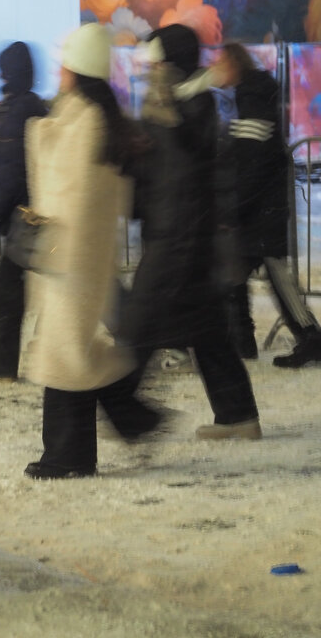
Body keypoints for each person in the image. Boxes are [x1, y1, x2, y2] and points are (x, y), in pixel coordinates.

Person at [21, 23, 164, 480]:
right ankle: (117, 421)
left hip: (70, 255)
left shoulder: (84, 121)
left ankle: (70, 455)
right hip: (77, 254)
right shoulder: (93, 117)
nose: (59, 71)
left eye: (65, 63)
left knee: (66, 355)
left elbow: (63, 191)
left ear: (77, 69)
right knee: (69, 352)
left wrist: (39, 129)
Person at [119, 25, 261, 441]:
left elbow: (180, 173)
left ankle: (125, 414)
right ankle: (238, 417)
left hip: (178, 237)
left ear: (171, 62)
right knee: (208, 330)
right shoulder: (172, 101)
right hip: (181, 233)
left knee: (137, 324)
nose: (150, 68)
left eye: (157, 59)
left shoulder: (188, 103)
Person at [211, 42, 321, 367]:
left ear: (233, 64)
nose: (217, 69)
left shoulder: (253, 97)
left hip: (262, 209)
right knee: (239, 275)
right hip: (260, 207)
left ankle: (308, 336)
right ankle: (245, 340)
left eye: (221, 63)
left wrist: (234, 207)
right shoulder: (251, 96)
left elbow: (254, 163)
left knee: (272, 275)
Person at [0, 41, 48, 383]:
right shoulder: (21, 105)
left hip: (25, 215)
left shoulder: (18, 109)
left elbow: (12, 174)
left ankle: (0, 364)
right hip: (28, 212)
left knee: (5, 293)